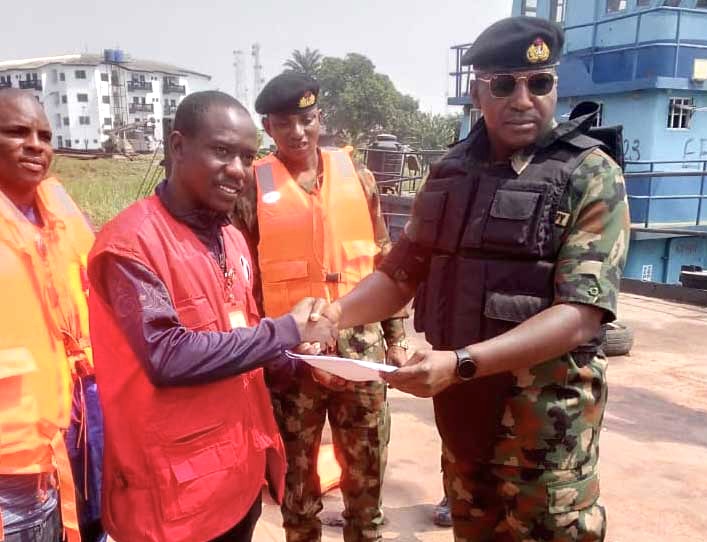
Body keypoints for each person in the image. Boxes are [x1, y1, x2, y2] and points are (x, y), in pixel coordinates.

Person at [314, 16, 630, 542]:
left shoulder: (590, 174)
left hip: (544, 442)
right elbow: (400, 273)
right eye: (504, 85)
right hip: (464, 426)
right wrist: (333, 315)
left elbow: (581, 315)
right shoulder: (450, 172)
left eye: (540, 83)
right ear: (477, 91)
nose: (523, 100)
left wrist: (460, 363)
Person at [87, 91, 336, 542]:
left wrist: (299, 358)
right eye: (222, 151)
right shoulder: (131, 245)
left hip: (237, 477)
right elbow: (167, 356)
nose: (239, 170)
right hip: (174, 500)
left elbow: (242, 336)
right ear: (178, 146)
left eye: (247, 156)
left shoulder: (232, 238)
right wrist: (285, 330)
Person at [232, 72, 408, 542]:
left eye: (307, 119)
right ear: (268, 127)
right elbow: (243, 278)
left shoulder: (359, 176)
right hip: (292, 360)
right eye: (284, 123)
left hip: (361, 353)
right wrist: (259, 350)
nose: (298, 132)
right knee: (296, 486)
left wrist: (396, 338)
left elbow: (384, 261)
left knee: (366, 481)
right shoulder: (252, 186)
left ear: (320, 118)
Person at [0, 88, 95, 542]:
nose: (36, 145)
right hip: (8, 463)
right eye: (17, 132)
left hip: (70, 423)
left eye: (44, 135)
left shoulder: (56, 208)